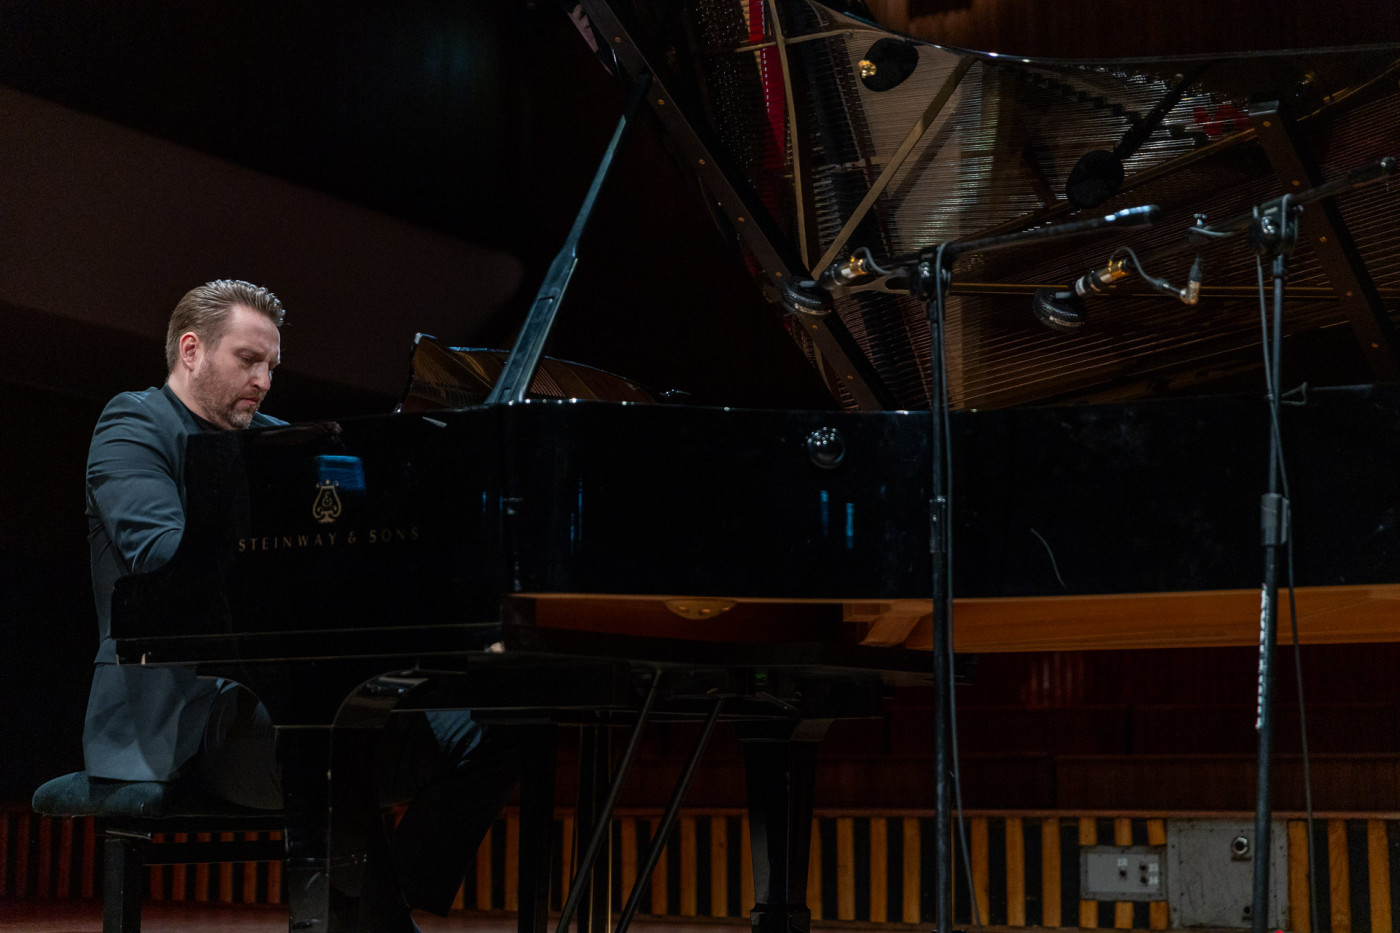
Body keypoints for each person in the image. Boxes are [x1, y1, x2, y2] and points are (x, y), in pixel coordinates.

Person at [82, 279, 517, 931]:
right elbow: (161, 557)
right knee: (332, 735)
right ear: (192, 350)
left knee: (493, 729)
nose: (263, 381)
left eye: (272, 366)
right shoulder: (135, 424)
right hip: (183, 715)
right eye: (248, 360)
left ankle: (385, 904)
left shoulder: (286, 443)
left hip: (297, 691)